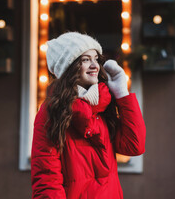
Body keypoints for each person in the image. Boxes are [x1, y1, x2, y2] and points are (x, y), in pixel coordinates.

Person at [31, 32, 146, 199]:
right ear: (68, 66)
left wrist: (122, 92)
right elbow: (47, 178)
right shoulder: (51, 112)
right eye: (85, 60)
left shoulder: (105, 106)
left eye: (96, 59)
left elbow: (134, 146)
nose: (95, 66)